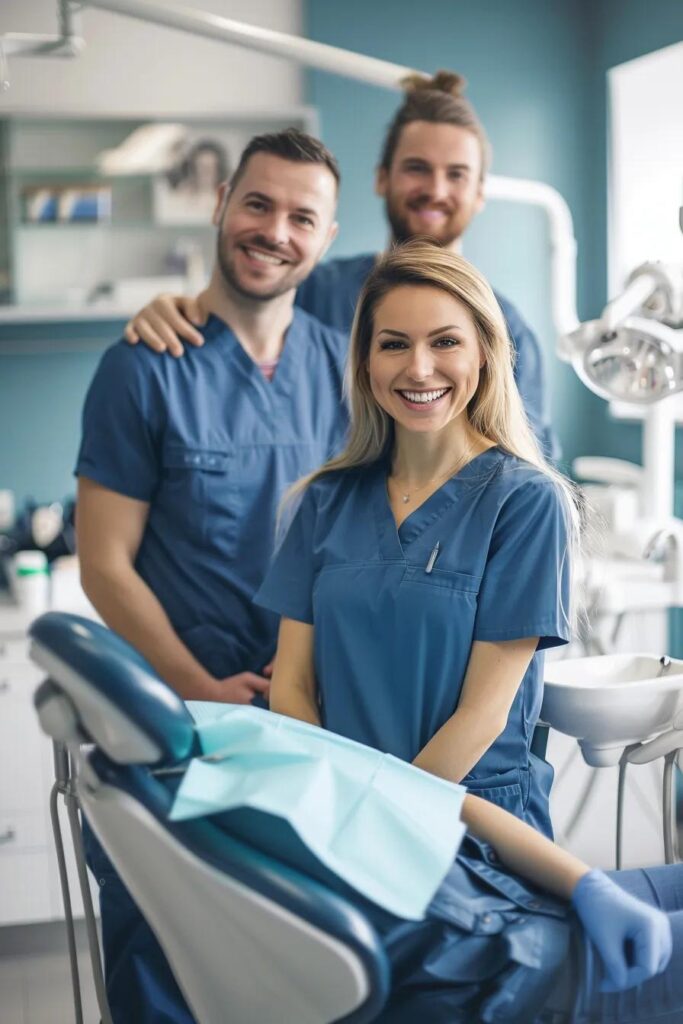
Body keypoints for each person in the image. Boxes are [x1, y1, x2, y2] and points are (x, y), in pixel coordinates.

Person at [75, 127, 347, 1024]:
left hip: (305, 730)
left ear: (325, 236)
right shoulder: (141, 366)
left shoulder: (343, 367)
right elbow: (103, 563)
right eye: (258, 203)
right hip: (175, 727)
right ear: (223, 203)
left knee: (298, 972)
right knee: (167, 973)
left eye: (301, 216)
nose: (275, 230)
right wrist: (197, 688)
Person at [255, 240, 579, 841]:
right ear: (367, 362)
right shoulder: (324, 501)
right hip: (339, 817)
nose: (419, 368)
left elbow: (483, 717)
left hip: (469, 827)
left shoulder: (525, 502)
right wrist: (335, 815)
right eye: (394, 344)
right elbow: (292, 688)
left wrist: (376, 825)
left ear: (485, 352)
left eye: (445, 341)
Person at [124, 72, 557, 457]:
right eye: (416, 168)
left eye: (457, 174)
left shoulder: (506, 329)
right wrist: (180, 310)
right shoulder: (315, 291)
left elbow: (524, 473)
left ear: (480, 192)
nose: (435, 189)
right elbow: (232, 340)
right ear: (382, 177)